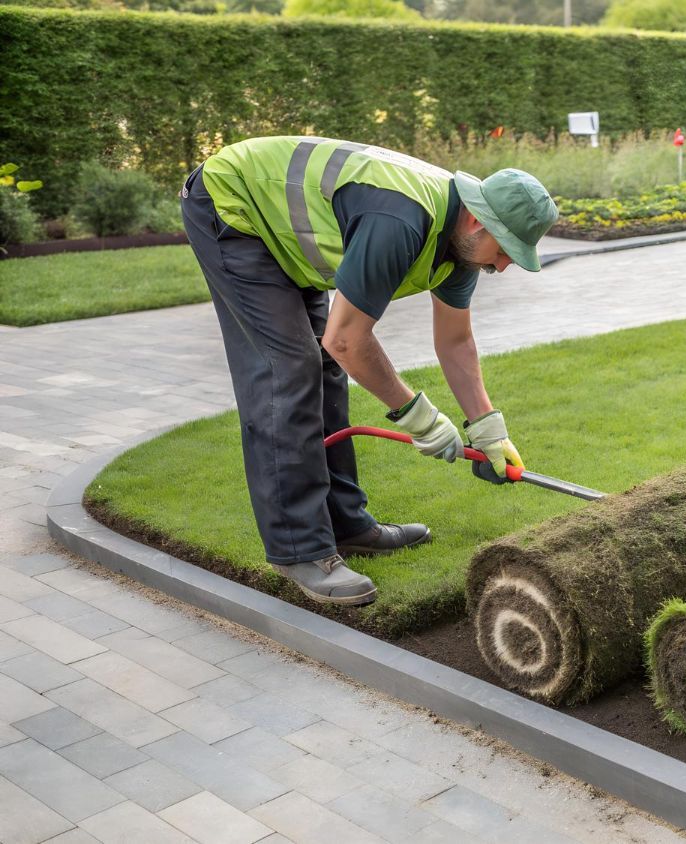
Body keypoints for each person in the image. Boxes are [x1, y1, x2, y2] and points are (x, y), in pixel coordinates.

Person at [179, 136, 558, 606]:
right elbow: (347, 340)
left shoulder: (461, 245)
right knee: (289, 370)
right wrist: (418, 417)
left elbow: (455, 341)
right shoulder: (399, 220)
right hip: (233, 207)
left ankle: (347, 524)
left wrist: (487, 428)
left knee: (324, 370)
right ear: (478, 220)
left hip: (280, 230)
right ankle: (299, 549)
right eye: (505, 250)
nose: (504, 266)